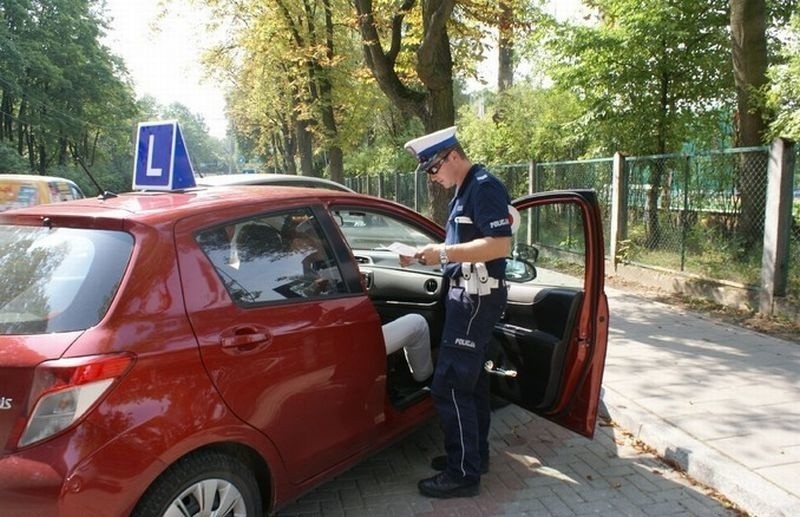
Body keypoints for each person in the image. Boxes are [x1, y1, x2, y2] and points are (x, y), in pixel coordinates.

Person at [401, 126, 513, 498]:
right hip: (466, 296)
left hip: (476, 299)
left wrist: (443, 253)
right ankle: (473, 457)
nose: (433, 178)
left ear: (452, 156)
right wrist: (423, 254)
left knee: (450, 385)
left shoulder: (483, 186)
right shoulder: (465, 190)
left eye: (434, 169)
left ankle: (462, 473)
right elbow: (461, 244)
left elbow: (499, 245)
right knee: (473, 383)